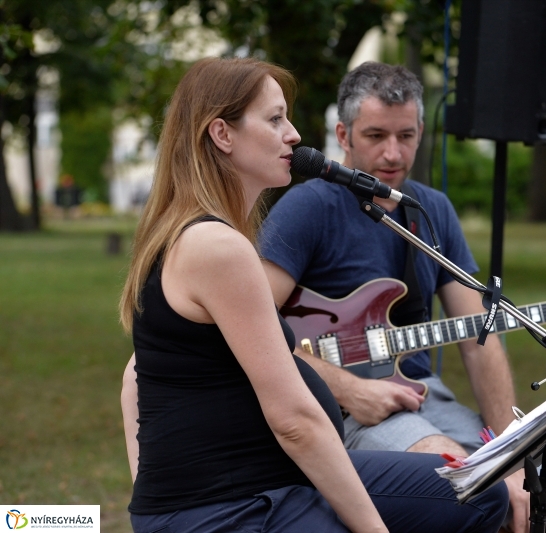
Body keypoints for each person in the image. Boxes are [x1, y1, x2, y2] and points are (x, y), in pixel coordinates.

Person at [118, 57, 508, 533]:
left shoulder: (198, 235)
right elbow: (295, 423)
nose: (294, 135)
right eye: (276, 118)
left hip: (267, 482)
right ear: (222, 134)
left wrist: (149, 500)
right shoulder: (218, 247)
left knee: (477, 487)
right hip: (236, 506)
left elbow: (134, 376)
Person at [258, 61, 546, 533]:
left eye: (406, 135)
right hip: (348, 410)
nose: (393, 153)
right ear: (344, 134)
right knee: (472, 491)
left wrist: (514, 452)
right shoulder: (307, 207)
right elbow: (250, 331)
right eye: (376, 135)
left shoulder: (431, 208)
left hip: (426, 398)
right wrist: (350, 389)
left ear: (421, 132)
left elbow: (479, 337)